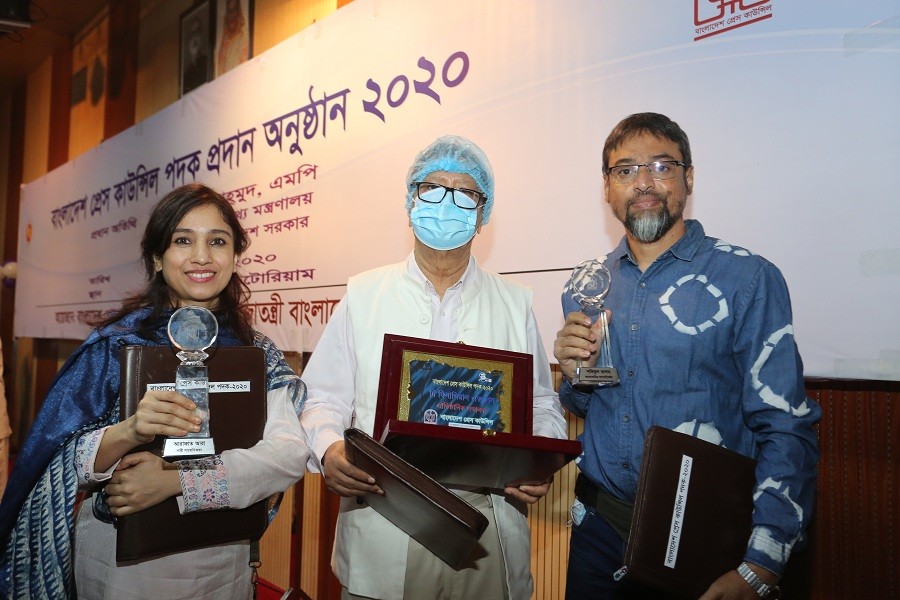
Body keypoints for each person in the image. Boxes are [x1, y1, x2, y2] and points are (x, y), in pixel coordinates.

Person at [553, 112, 820, 599]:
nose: (643, 182)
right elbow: (589, 404)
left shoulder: (748, 278)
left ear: (688, 178)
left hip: (702, 538)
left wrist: (762, 564)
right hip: (598, 531)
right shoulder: (587, 284)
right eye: (625, 170)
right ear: (607, 187)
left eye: (661, 166)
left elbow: (785, 426)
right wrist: (575, 376)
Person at [0, 183, 309, 599]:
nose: (201, 256)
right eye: (183, 241)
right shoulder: (114, 346)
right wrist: (129, 431)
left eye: (217, 241)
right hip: (121, 568)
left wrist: (178, 482)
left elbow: (288, 455)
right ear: (157, 259)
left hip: (224, 563)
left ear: (236, 257)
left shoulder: (258, 353)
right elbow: (60, 465)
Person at [300, 135, 568, 600]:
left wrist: (537, 460)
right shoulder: (364, 297)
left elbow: (541, 404)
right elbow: (321, 397)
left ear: (482, 213)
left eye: (465, 193)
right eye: (433, 188)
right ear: (410, 202)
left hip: (487, 524)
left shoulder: (514, 305)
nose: (447, 203)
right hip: (385, 512)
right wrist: (329, 449)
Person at [217, 0, 250, 76]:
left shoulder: (244, 36)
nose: (232, 15)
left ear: (239, 12)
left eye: (234, 9)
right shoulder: (224, 40)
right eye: (229, 11)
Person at [182, 15, 210, 94]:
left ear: (201, 37)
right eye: (192, 34)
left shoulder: (207, 64)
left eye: (197, 33)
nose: (194, 38)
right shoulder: (186, 75)